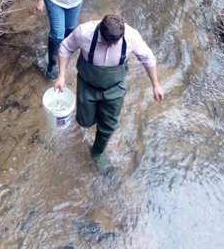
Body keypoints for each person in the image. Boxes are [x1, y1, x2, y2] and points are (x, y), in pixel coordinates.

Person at [55, 14, 164, 169]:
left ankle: (97, 152)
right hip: (87, 85)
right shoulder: (84, 32)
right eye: (108, 42)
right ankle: (90, 119)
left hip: (115, 88)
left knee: (108, 125)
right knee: (84, 122)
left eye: (116, 42)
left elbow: (148, 58)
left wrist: (156, 84)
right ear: (100, 32)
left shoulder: (131, 37)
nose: (112, 46)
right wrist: (61, 76)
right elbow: (65, 48)